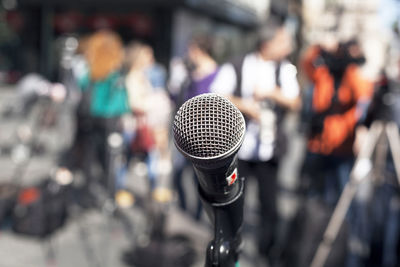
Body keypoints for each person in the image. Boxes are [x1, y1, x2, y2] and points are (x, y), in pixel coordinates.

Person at [215, 18, 301, 264]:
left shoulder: (284, 69)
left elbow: (295, 102)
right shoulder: (238, 65)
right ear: (267, 43)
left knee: (269, 206)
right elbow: (219, 93)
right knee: (233, 201)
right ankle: (230, 248)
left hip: (269, 149)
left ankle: (267, 252)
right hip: (240, 149)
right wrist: (246, 106)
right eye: (282, 41)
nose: (287, 46)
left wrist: (272, 93)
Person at [300, 38, 373, 267]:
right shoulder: (324, 73)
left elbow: (361, 92)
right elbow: (307, 64)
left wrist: (348, 64)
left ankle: (342, 250)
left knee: (342, 201)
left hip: (341, 149)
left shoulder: (354, 77)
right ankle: (309, 244)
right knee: (313, 198)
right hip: (317, 146)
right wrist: (322, 47)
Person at [60, 30, 130, 202]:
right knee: (108, 162)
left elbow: (81, 87)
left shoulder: (92, 72)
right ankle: (108, 195)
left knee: (88, 159)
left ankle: (89, 193)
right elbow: (121, 103)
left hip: (89, 119)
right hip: (108, 121)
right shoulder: (114, 72)